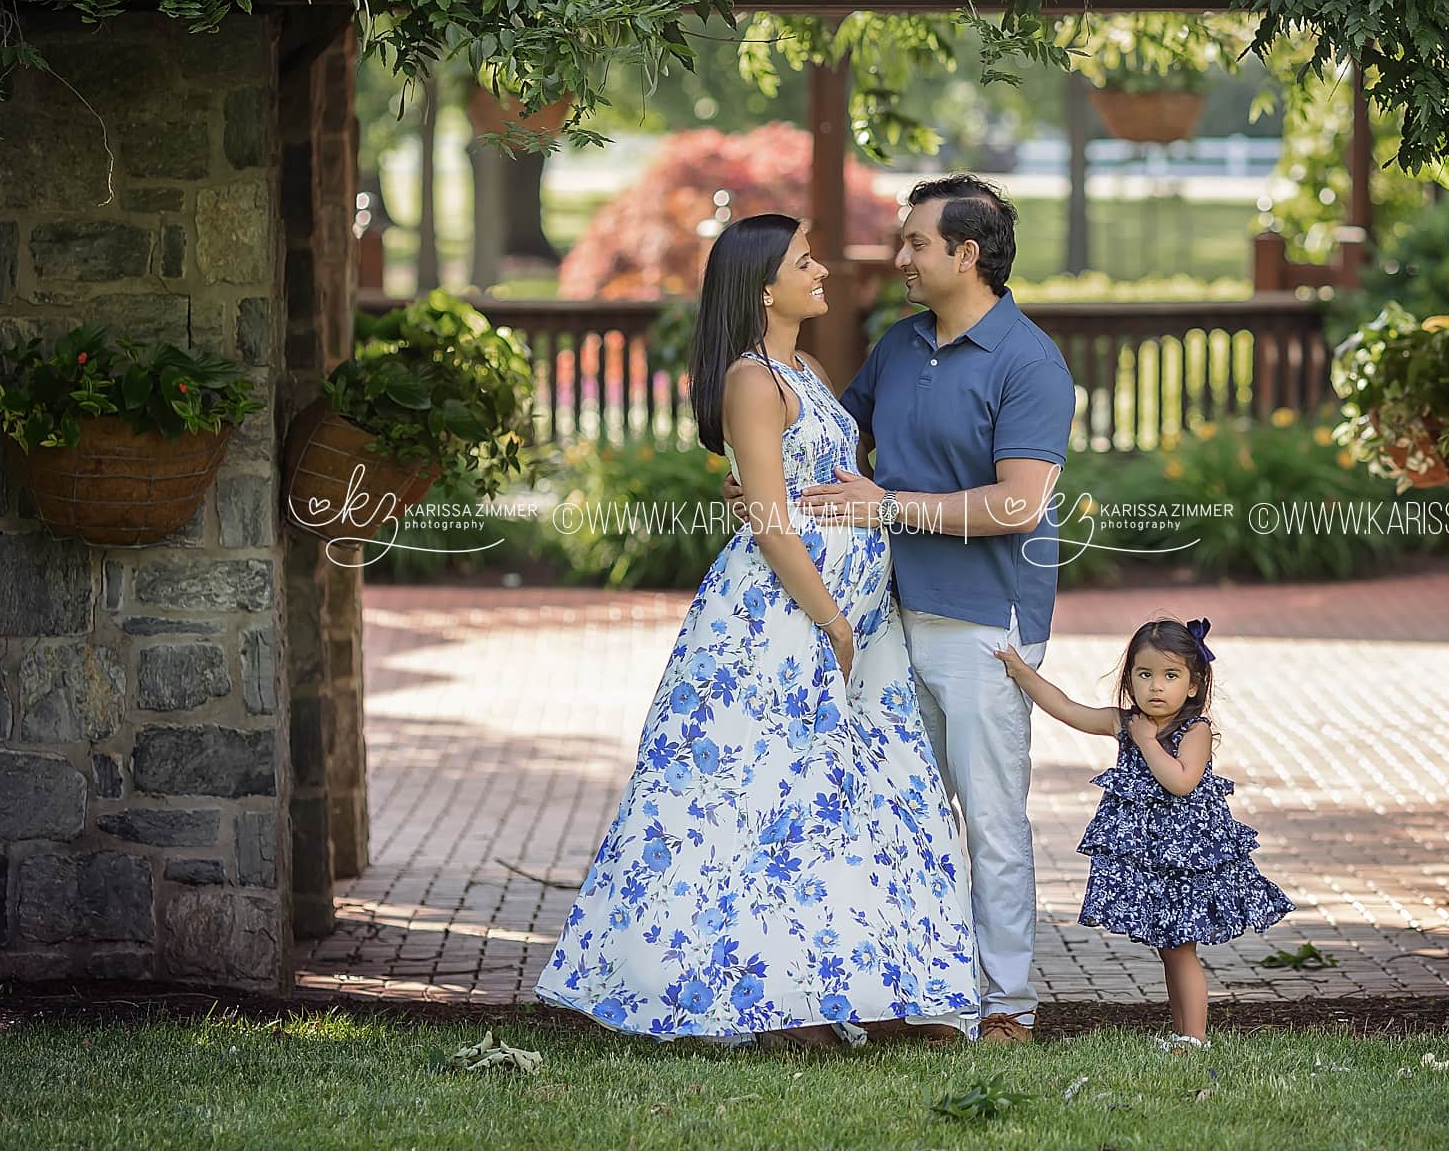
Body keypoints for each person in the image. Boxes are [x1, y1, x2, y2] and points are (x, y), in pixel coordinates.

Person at [533, 212, 981, 1048]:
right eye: (804, 262)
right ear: (763, 285)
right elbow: (772, 523)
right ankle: (759, 1000)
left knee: (849, 807)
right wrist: (833, 620)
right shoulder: (750, 379)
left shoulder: (805, 367)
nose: (822, 272)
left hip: (856, 626)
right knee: (755, 807)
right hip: (781, 627)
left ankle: (862, 992)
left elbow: (796, 484)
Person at [723, 175, 1076, 1046]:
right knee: (898, 813)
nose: (900, 257)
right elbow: (834, 449)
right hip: (885, 618)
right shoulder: (899, 344)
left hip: (982, 624)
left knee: (990, 820)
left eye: (917, 242)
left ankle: (1006, 1006)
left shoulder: (1030, 361)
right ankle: (913, 992)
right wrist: (769, 487)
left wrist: (892, 506)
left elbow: (1019, 504)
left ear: (967, 253)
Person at [994, 615, 1294, 1051]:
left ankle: (1194, 1038)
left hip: (1187, 861)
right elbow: (1069, 710)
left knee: (1182, 947)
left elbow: (1181, 781)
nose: (1156, 686)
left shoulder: (1196, 730)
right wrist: (1023, 673)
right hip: (1152, 857)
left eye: (1171, 676)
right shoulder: (1127, 722)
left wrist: (1148, 742)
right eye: (1145, 674)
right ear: (1130, 679)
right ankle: (1182, 1034)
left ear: (1192, 685)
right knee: (1170, 948)